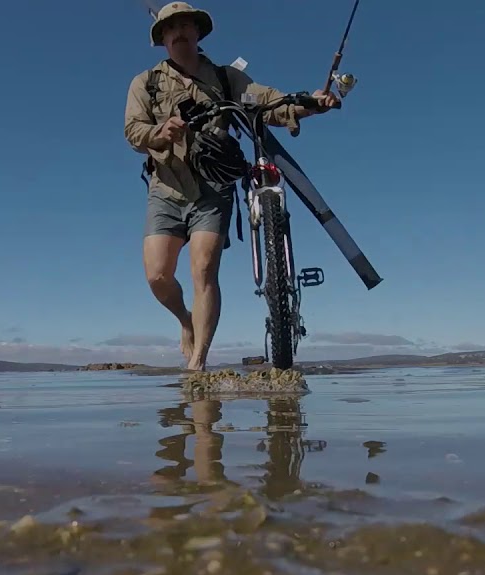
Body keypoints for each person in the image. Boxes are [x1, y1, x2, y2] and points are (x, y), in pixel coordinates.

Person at [124, 2, 340, 372]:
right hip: (166, 188)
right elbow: (133, 132)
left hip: (213, 188)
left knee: (204, 269)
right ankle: (184, 320)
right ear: (162, 39)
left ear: (197, 32)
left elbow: (269, 103)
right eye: (171, 28)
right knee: (158, 276)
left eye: (186, 25)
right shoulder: (147, 82)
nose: (180, 32)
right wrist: (162, 131)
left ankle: (197, 363)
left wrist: (310, 105)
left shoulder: (225, 78)